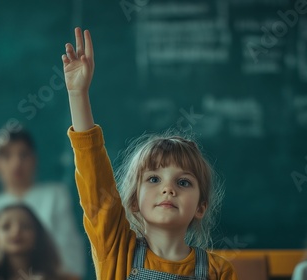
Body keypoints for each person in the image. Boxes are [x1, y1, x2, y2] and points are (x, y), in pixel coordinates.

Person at [62, 27, 237, 279]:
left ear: (201, 207)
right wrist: (78, 93)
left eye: (183, 182)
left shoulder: (217, 271)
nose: (168, 189)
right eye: (154, 179)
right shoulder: (116, 249)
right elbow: (94, 178)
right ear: (133, 202)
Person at [0, 128, 85, 279]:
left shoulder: (55, 196)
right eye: (6, 156)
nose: (16, 163)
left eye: (23, 155)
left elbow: (71, 256)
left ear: (34, 159)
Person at [0, 204, 74, 280]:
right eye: (6, 227)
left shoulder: (59, 278)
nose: (16, 231)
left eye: (25, 226)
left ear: (38, 235)